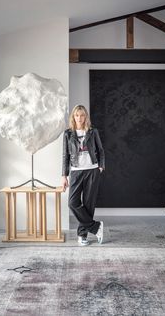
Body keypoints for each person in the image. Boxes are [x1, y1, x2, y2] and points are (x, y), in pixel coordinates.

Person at [62, 104, 105, 246]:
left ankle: (82, 235)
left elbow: (101, 150)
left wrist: (101, 167)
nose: (79, 118)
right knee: (73, 203)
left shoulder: (93, 132)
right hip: (76, 171)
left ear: (86, 116)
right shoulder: (68, 133)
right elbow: (65, 156)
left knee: (88, 204)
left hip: (92, 170)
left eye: (82, 115)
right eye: (76, 115)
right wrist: (64, 175)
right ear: (73, 117)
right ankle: (96, 227)